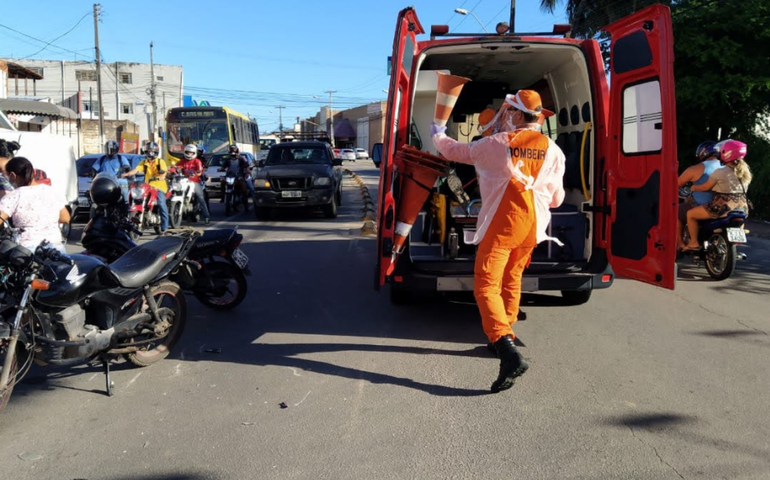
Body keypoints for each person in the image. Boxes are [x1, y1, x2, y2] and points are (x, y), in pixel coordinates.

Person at [431, 90, 566, 393]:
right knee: (512, 279)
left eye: (509, 112)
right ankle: (506, 333)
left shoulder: (496, 143)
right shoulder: (555, 151)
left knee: (486, 285)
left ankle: (505, 348)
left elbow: (454, 151)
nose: (505, 117)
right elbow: (557, 199)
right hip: (533, 227)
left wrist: (438, 133)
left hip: (503, 224)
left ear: (517, 114)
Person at [683, 139, 753, 251]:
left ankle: (694, 243)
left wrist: (694, 187)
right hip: (742, 208)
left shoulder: (720, 172)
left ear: (726, 154)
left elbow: (705, 187)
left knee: (690, 214)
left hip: (722, 207)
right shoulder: (746, 173)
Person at [0, 157, 70, 252]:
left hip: (27, 251)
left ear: (12, 175)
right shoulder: (51, 191)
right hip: (55, 248)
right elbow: (65, 218)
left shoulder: (13, 196)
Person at [677, 141, 723, 250]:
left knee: (676, 212)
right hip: (722, 205)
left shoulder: (695, 169)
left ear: (702, 153)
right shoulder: (726, 167)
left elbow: (676, 184)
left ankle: (681, 244)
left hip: (702, 206)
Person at [121, 141, 169, 233]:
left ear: (156, 152)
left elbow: (164, 172)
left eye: (152, 152)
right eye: (149, 151)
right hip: (148, 186)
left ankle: (165, 226)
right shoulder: (144, 162)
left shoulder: (160, 162)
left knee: (161, 204)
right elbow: (136, 170)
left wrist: (161, 176)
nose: (150, 153)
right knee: (137, 199)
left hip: (159, 186)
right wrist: (126, 174)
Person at [177, 144, 211, 224]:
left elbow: (200, 170)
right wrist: (172, 170)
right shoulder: (182, 161)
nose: (189, 154)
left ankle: (206, 216)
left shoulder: (197, 161)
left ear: (194, 153)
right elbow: (177, 167)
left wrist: (197, 173)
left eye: (191, 153)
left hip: (195, 182)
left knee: (201, 198)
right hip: (183, 181)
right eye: (188, 152)